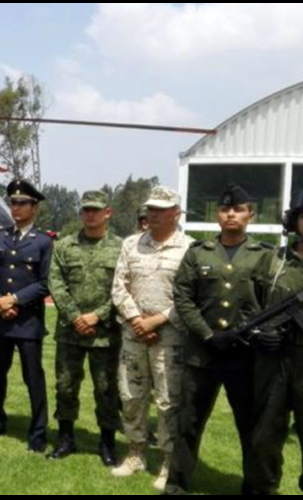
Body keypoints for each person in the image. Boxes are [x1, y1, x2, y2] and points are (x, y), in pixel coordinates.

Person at [165, 184, 270, 495]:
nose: (230, 214)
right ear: (217, 215)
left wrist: (246, 334)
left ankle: (254, 487)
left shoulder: (264, 256)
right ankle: (177, 485)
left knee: (251, 426)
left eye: (238, 209)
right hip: (203, 354)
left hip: (245, 355)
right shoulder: (198, 253)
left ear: (250, 215)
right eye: (225, 210)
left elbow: (269, 304)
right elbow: (182, 297)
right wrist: (207, 334)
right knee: (188, 423)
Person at [111, 186, 193, 492]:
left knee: (168, 401)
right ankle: (135, 454)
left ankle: (168, 462)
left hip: (170, 337)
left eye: (160, 209)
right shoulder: (132, 245)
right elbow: (119, 286)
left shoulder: (189, 248)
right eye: (150, 209)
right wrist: (136, 320)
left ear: (176, 213)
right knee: (131, 396)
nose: (153, 214)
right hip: (134, 334)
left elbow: (190, 296)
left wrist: (157, 320)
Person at [0, 179, 53, 453]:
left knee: (33, 378)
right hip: (0, 319)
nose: (16, 207)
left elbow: (45, 282)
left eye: (22, 203)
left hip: (27, 322)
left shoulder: (44, 242)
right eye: (13, 202)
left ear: (35, 208)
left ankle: (37, 434)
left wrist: (16, 300)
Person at [48, 190, 123, 466]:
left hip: (105, 334)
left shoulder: (120, 247)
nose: (90, 214)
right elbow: (55, 283)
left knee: (106, 389)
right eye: (86, 209)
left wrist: (98, 316)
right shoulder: (65, 246)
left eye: (96, 209)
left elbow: (124, 287)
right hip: (70, 332)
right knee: (65, 387)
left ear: (108, 212)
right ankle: (66, 439)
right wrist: (76, 316)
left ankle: (107, 443)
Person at [246, 187, 303, 495]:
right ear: (293, 221)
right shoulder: (272, 261)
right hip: (272, 362)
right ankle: (261, 488)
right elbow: (250, 306)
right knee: (265, 435)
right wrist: (260, 335)